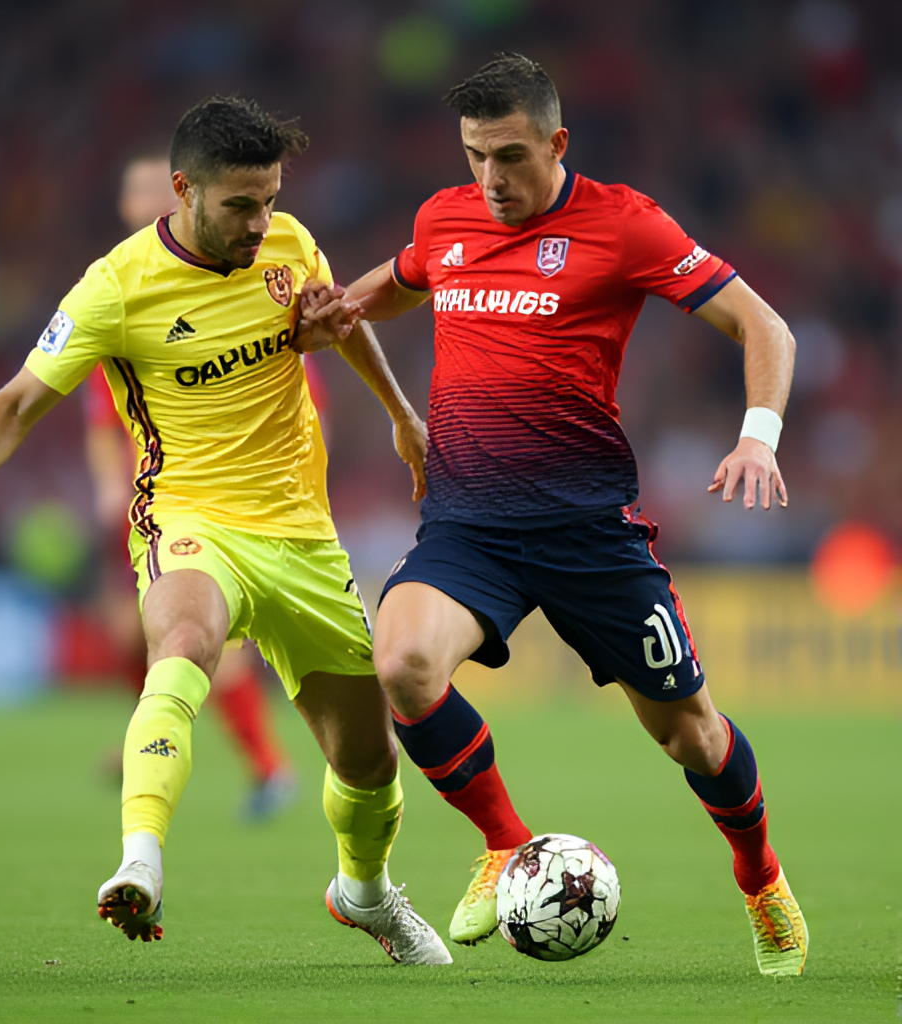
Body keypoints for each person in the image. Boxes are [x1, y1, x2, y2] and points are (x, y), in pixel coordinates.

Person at [0, 95, 451, 966]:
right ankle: (140, 860)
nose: (259, 221)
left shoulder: (291, 243)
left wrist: (402, 416)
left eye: (269, 199)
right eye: (240, 205)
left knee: (371, 764)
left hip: (302, 536)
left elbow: (339, 323)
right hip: (188, 516)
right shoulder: (115, 286)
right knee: (183, 641)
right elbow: (17, 403)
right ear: (184, 191)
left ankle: (367, 894)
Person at [319, 53, 807, 976]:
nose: (491, 180)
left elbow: (765, 326)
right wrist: (339, 308)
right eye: (474, 156)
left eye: (509, 155)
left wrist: (758, 437)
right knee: (403, 662)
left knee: (691, 735)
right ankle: (505, 843)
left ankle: (761, 878)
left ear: (558, 142)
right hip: (470, 527)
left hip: (589, 534)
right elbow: (403, 279)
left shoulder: (625, 223)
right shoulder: (445, 215)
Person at [86, 151, 296, 820]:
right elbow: (98, 413)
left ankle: (269, 768)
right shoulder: (119, 291)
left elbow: (294, 384)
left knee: (197, 638)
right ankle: (154, 734)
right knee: (127, 633)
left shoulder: (244, 281)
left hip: (212, 499)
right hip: (148, 496)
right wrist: (105, 484)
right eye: (135, 190)